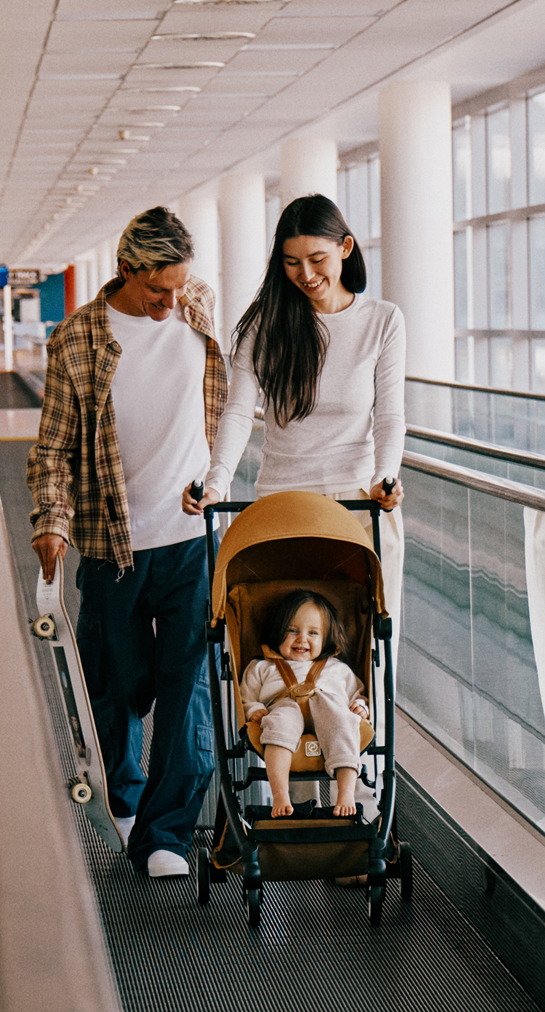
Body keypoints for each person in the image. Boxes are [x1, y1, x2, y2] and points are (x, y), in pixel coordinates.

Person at [181, 193, 406, 818]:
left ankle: (358, 798)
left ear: (346, 249)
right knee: (275, 653)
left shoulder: (383, 321)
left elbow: (389, 415)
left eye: (316, 259)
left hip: (360, 510)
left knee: (366, 651)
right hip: (285, 509)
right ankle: (280, 797)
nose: (305, 275)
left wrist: (387, 477)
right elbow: (236, 413)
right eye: (290, 262)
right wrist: (217, 479)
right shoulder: (264, 327)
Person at [26, 206, 227, 878]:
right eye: (156, 292)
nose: (171, 303)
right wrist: (51, 522)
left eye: (179, 288)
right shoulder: (78, 339)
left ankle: (167, 832)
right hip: (114, 546)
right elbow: (51, 448)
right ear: (126, 271)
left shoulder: (197, 305)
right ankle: (124, 800)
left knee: (186, 687)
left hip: (192, 540)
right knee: (114, 687)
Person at [241, 591, 368, 818]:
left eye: (313, 633)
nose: (302, 639)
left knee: (344, 721)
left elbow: (357, 693)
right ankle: (280, 794)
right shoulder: (262, 666)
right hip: (284, 707)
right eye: (292, 630)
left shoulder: (336, 668)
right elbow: (246, 696)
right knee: (278, 725)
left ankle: (346, 792)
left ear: (326, 638)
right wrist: (253, 709)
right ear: (278, 631)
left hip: (329, 711)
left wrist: (360, 705)